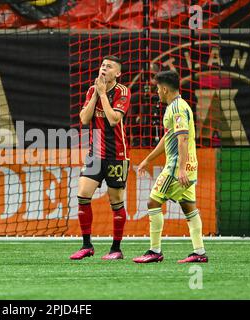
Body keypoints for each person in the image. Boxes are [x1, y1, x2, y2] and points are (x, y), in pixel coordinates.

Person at [132, 70, 208, 264]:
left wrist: (181, 169)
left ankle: (154, 251)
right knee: (189, 207)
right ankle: (199, 252)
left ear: (164, 89)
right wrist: (148, 159)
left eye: (158, 88)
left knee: (152, 203)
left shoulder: (176, 108)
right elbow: (169, 137)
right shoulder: (180, 106)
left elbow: (182, 138)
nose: (157, 92)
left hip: (176, 167)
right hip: (190, 165)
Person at [70, 55, 131, 260]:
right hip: (95, 154)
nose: (104, 68)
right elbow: (84, 118)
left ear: (117, 73)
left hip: (117, 155)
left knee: (116, 201)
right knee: (82, 195)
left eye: (109, 66)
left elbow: (114, 120)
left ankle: (116, 249)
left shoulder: (123, 92)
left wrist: (103, 94)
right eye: (103, 65)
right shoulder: (91, 90)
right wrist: (96, 94)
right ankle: (87, 245)